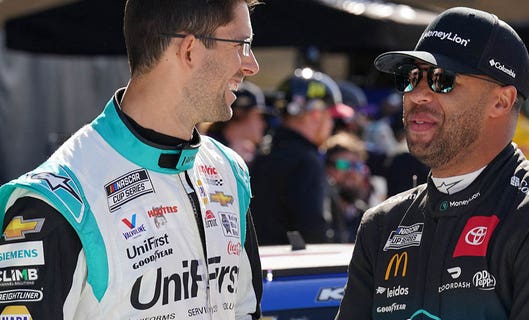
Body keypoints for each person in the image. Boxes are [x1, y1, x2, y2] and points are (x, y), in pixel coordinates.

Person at [336, 7, 529, 320]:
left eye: (441, 80)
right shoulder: (383, 225)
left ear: (501, 101)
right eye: (411, 78)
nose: (417, 95)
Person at [0, 0, 263, 319]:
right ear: (190, 49)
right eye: (242, 44)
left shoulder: (229, 172)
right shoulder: (59, 200)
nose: (251, 65)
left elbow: (246, 310)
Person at [250, 67, 336, 245]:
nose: (331, 123)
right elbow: (314, 231)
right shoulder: (306, 161)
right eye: (329, 115)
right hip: (298, 268)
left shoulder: (262, 154)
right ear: (315, 115)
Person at [200, 81, 269, 165]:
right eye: (260, 117)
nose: (263, 124)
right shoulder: (204, 150)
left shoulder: (256, 158)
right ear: (239, 113)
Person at [323, 132, 370, 243]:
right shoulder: (319, 212)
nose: (352, 172)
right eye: (343, 165)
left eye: (357, 166)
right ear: (327, 168)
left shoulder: (366, 216)